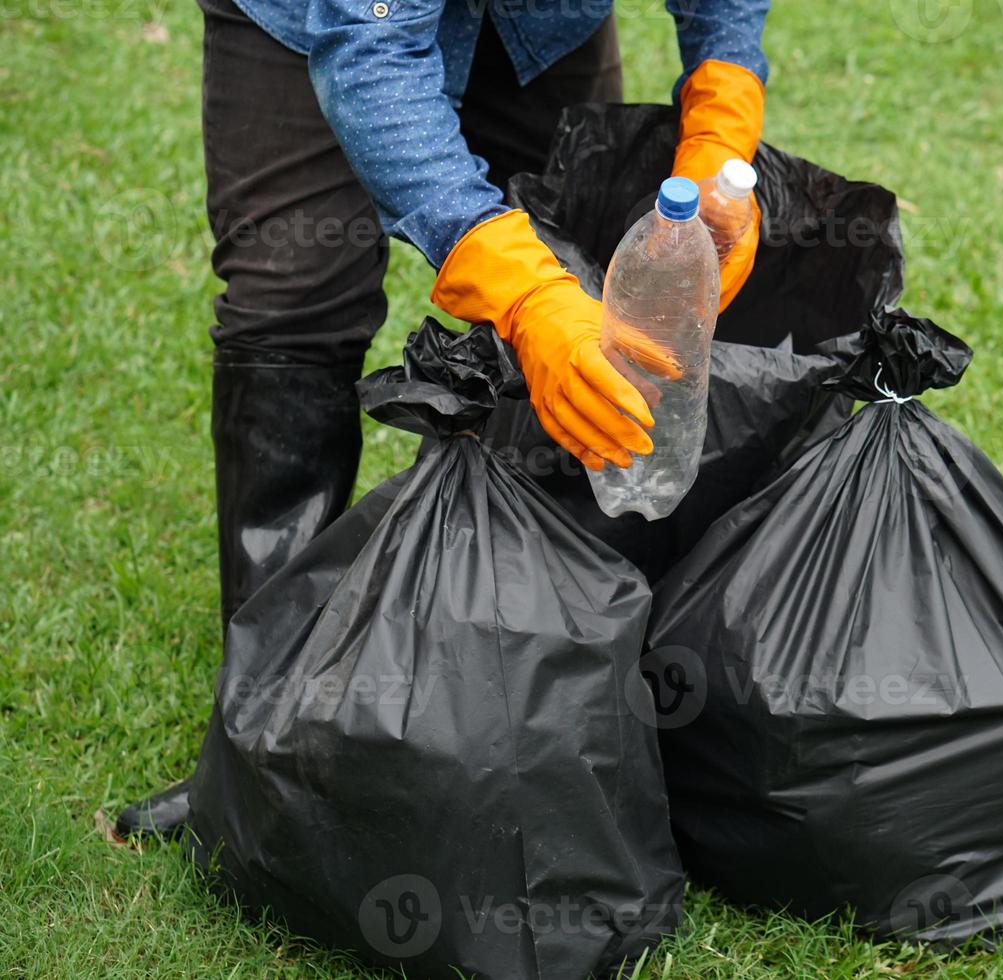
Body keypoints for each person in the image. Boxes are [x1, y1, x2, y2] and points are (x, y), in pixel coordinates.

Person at [115, 0, 769, 840]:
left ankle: (543, 709)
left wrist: (723, 105)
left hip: (541, 24)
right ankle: (265, 745)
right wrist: (518, 290)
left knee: (573, 263)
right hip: (320, 21)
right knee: (297, 302)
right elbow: (372, 50)